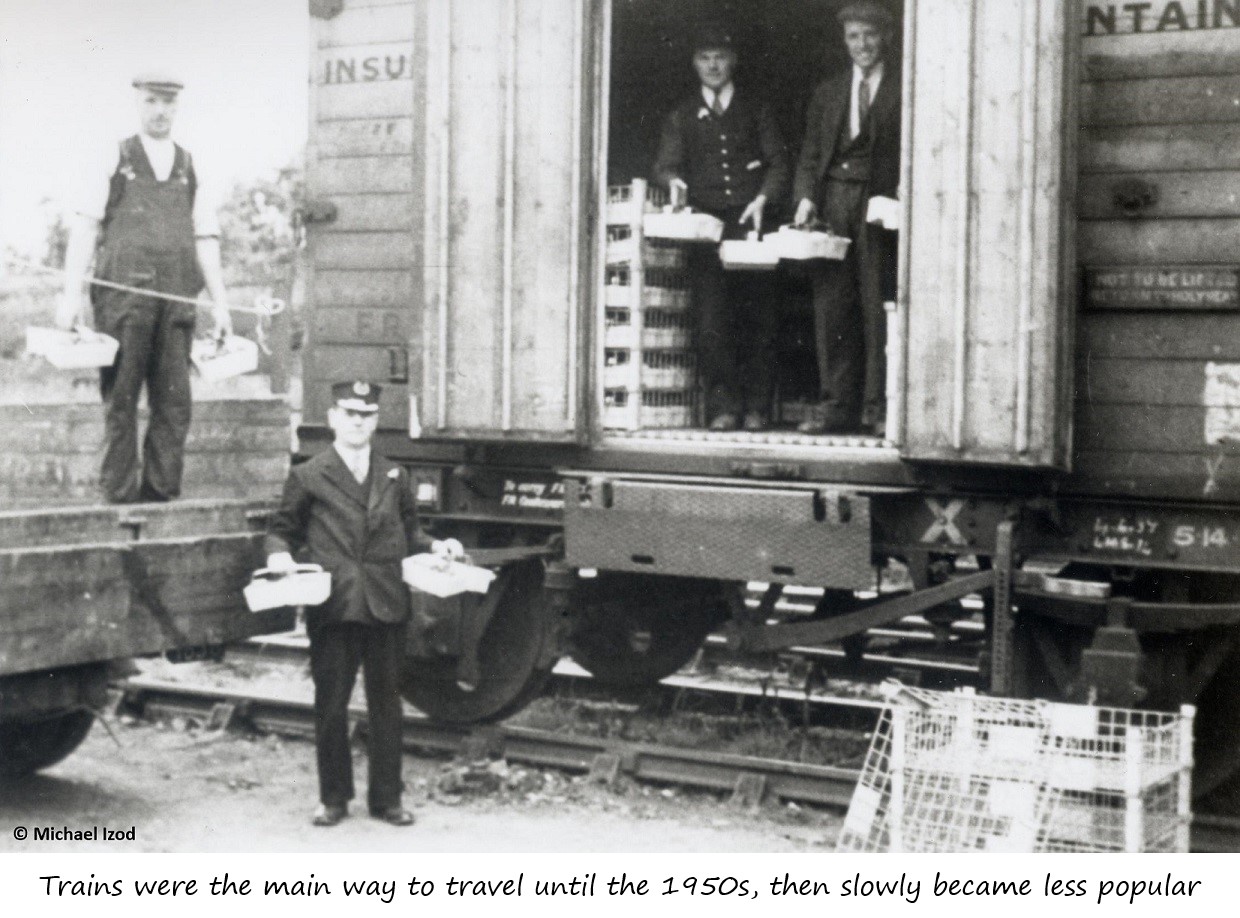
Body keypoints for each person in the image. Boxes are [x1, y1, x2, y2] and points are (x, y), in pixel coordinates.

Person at [265, 381, 464, 827]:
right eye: (350, 413)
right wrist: (278, 554)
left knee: (387, 705)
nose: (358, 421)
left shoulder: (395, 476)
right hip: (334, 607)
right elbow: (281, 529)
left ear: (375, 422)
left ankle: (387, 800)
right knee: (331, 705)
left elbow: (411, 534)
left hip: (387, 605)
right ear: (333, 418)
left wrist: (437, 547)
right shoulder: (309, 475)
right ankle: (333, 799)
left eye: (366, 415)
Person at [55, 72, 233, 503]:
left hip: (177, 301)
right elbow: (85, 227)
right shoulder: (116, 156)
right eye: (152, 101)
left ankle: (162, 501)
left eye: (168, 103)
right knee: (121, 398)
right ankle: (118, 502)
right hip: (123, 297)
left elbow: (206, 238)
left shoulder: (189, 166)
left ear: (178, 107)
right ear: (138, 102)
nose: (160, 111)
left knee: (174, 404)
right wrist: (70, 294)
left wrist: (221, 305)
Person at [653, 25, 789, 432]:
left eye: (720, 57)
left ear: (734, 62)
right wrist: (672, 182)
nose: (713, 65)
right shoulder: (681, 114)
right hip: (708, 230)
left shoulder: (756, 108)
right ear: (695, 64)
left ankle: (758, 408)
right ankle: (724, 407)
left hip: (752, 226)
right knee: (713, 321)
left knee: (759, 318)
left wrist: (765, 196)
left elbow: (780, 162)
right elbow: (665, 164)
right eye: (704, 58)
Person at [792, 1, 900, 435]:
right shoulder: (829, 91)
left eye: (870, 35)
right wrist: (805, 199)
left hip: (877, 204)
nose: (862, 45)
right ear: (844, 42)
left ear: (885, 38)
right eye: (854, 37)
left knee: (876, 304)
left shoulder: (904, 87)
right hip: (834, 200)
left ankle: (876, 409)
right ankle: (836, 407)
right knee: (833, 306)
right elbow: (812, 153)